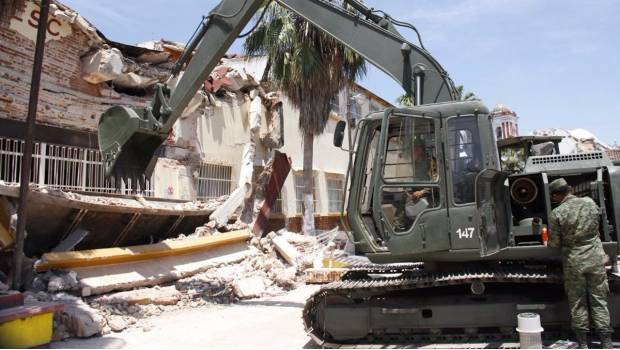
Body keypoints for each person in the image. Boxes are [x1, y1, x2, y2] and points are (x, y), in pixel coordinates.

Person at [548, 178, 613, 349]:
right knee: (599, 300)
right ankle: (606, 342)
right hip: (595, 258)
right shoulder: (590, 202)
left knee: (578, 303)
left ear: (555, 196)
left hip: (574, 262)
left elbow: (554, 244)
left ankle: (583, 343)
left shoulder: (557, 213)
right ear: (569, 189)